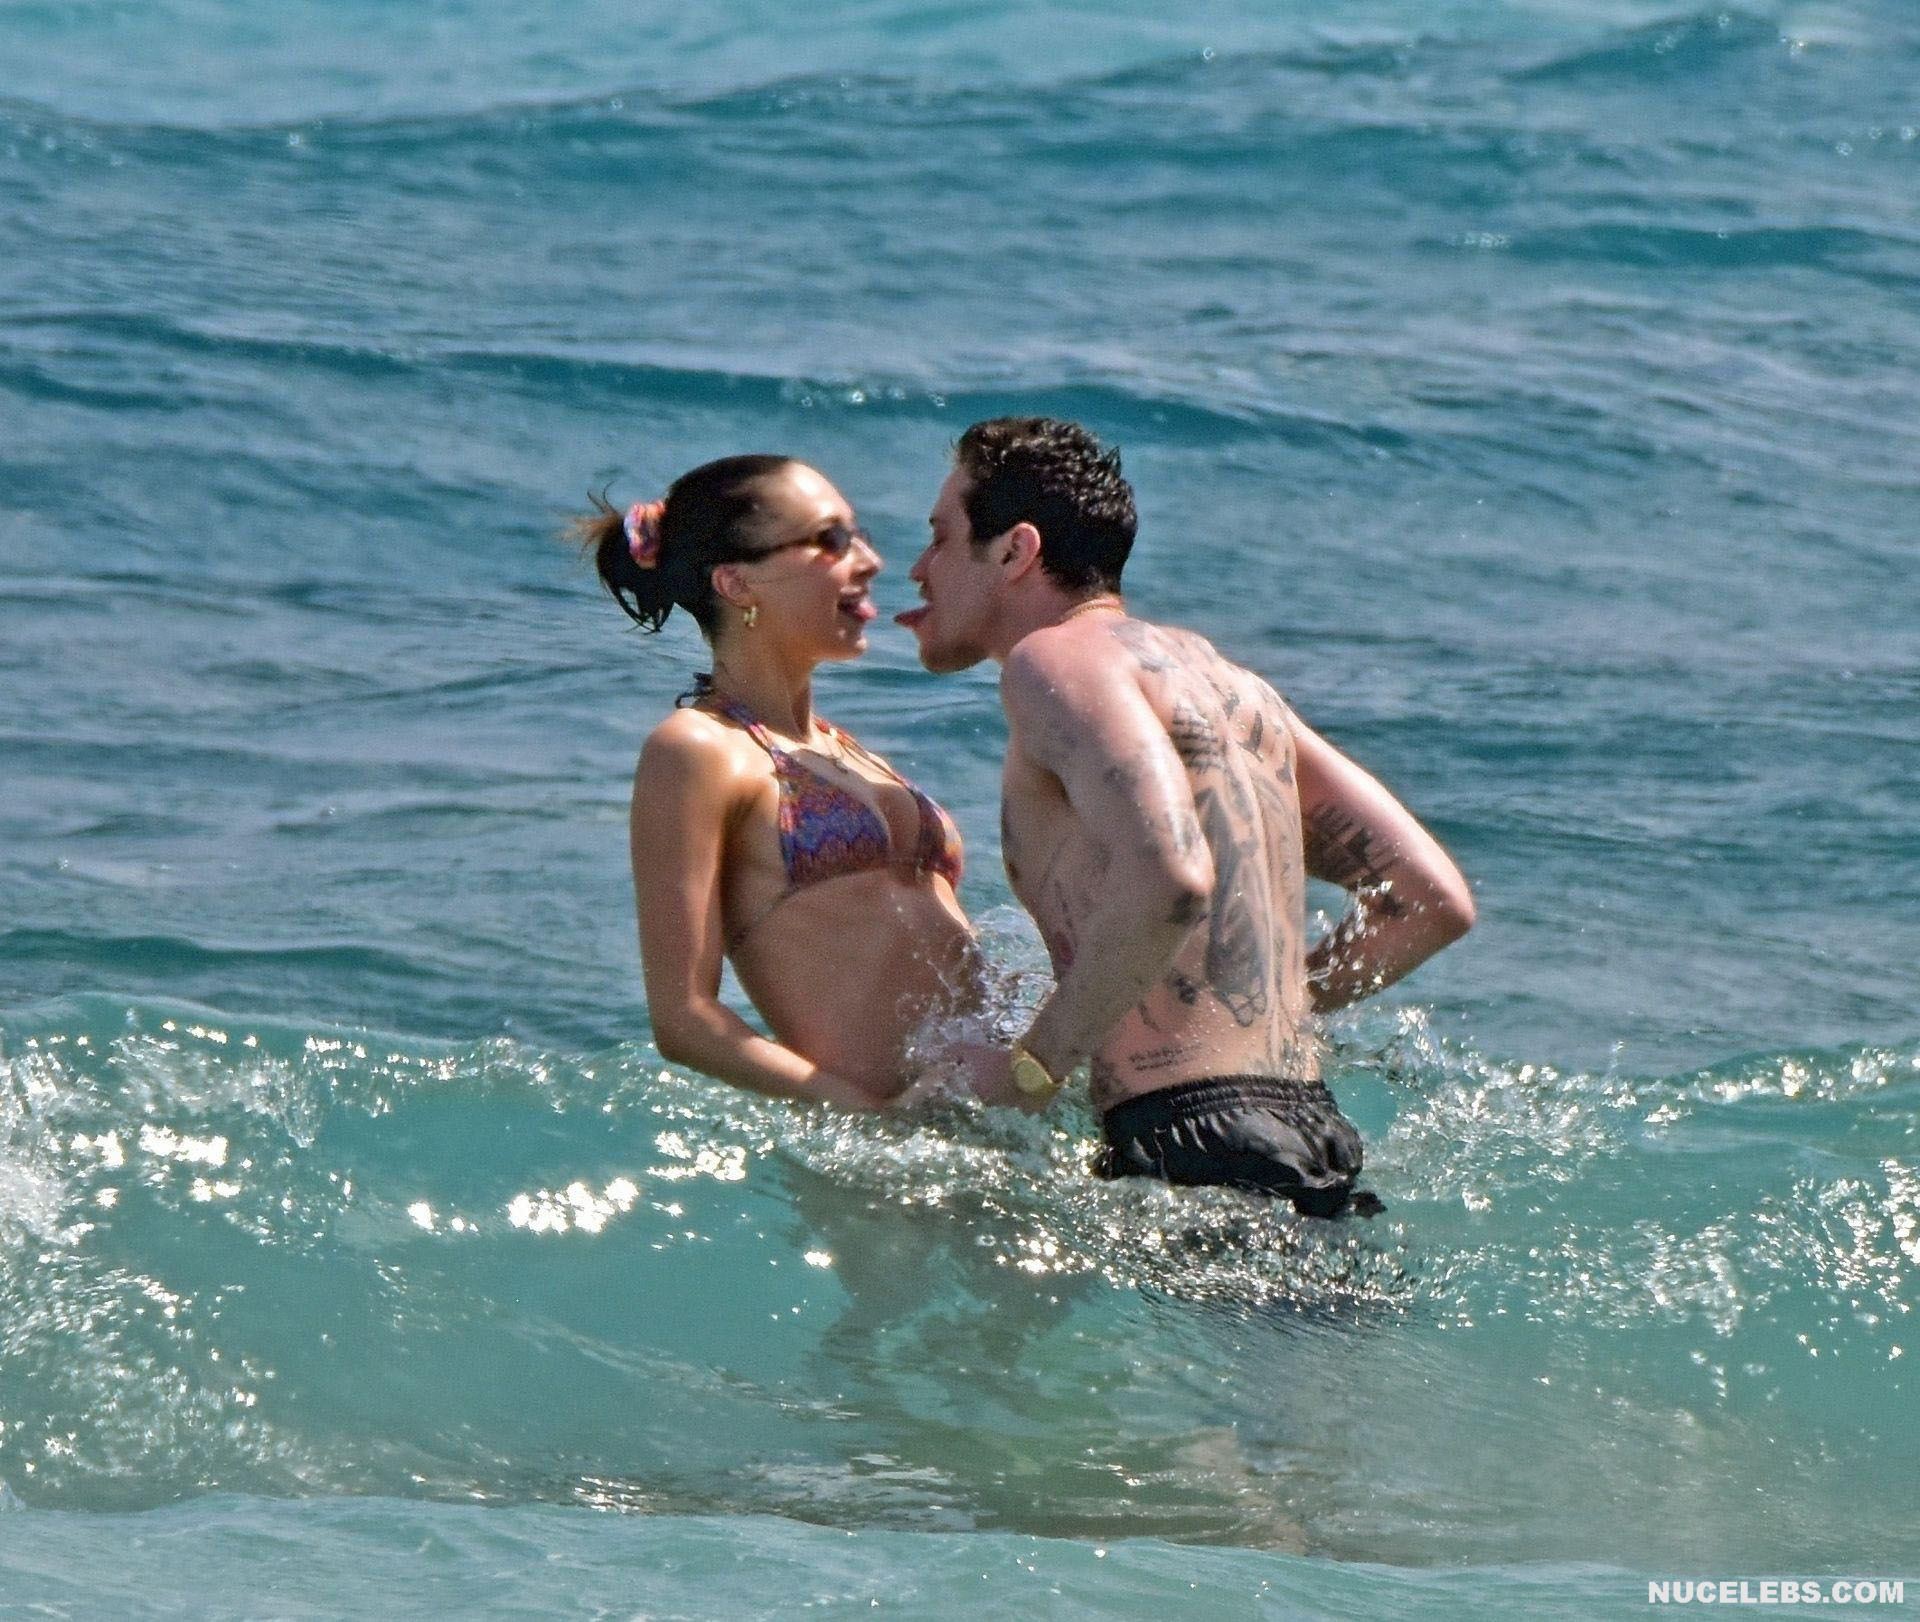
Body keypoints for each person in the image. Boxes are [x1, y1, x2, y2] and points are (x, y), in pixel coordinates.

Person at [897, 418, 1475, 1216]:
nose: (918, 568)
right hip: (1305, 1120)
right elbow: (1429, 899)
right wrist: (1257, 1007)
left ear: (1015, 551)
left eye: (939, 537)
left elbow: (1169, 875)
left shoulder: (1052, 660)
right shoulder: (1233, 688)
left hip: (1186, 1138)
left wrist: (1032, 1070)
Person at [577, 455, 981, 1111]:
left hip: (1010, 1123)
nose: (872, 561)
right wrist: (874, 1118)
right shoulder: (697, 751)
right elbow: (684, 1019)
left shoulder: (846, 752)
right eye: (831, 540)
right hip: (890, 1149)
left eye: (859, 534)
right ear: (737, 583)